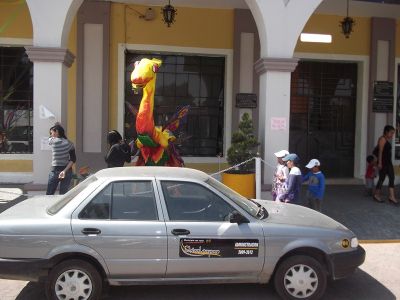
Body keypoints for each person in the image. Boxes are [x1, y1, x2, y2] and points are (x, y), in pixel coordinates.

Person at [46, 124, 76, 195]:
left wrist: (55, 127)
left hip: (55, 171)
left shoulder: (52, 141)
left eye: (52, 132)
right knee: (64, 196)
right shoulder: (70, 143)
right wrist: (64, 171)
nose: (51, 134)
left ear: (56, 132)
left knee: (49, 195)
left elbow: (49, 139)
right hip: (67, 172)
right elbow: (73, 159)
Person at [373, 125, 398, 204]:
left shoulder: (386, 139)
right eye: (391, 133)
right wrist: (380, 163)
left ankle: (391, 196)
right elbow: (380, 151)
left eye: (393, 133)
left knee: (391, 177)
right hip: (383, 162)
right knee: (382, 178)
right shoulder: (382, 139)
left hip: (388, 162)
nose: (392, 135)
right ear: (386, 132)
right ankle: (377, 195)